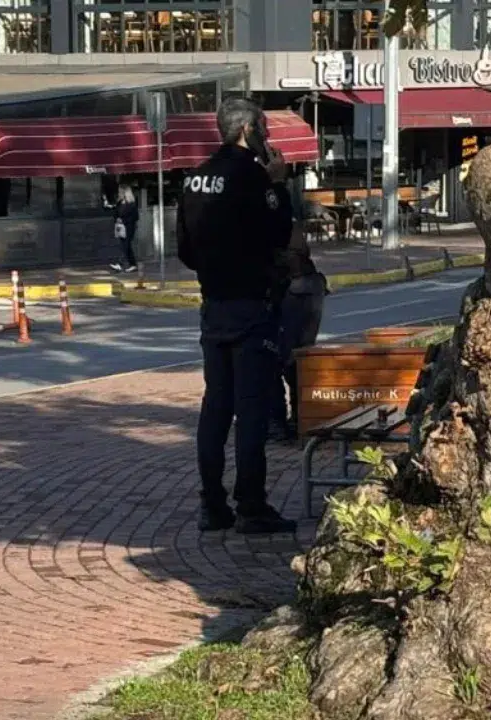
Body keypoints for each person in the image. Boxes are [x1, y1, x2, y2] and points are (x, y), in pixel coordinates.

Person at [177, 96, 297, 535]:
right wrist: (279, 185)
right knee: (251, 409)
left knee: (215, 408)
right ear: (248, 130)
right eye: (264, 128)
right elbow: (280, 232)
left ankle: (212, 504)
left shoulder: (195, 178)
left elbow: (185, 249)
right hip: (251, 304)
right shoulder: (252, 176)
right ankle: (251, 504)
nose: (267, 136)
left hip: (213, 305)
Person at [269, 222, 328, 442]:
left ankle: (282, 421)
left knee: (283, 358)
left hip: (297, 291)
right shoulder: (282, 222)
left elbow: (294, 252)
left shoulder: (278, 225)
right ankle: (297, 418)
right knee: (295, 358)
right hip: (304, 288)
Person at [109, 185, 140, 273]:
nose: (119, 194)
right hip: (121, 228)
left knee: (125, 246)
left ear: (125, 193)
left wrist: (124, 220)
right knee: (127, 246)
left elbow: (135, 217)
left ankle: (119, 264)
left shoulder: (132, 204)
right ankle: (133, 265)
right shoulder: (119, 203)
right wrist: (117, 219)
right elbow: (115, 214)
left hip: (129, 228)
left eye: (120, 192)